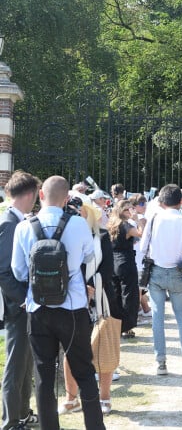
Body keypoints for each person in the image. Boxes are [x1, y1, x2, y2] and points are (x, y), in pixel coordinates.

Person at [11, 176, 105, 430]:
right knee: (84, 371)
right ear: (66, 199)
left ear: (41, 195)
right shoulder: (77, 224)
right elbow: (91, 257)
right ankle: (95, 426)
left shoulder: (24, 227)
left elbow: (18, 271)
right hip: (72, 308)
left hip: (38, 309)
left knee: (43, 375)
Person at [59, 200, 122, 416]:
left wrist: (92, 286)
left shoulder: (102, 236)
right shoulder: (63, 233)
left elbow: (108, 268)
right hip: (72, 299)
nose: (77, 213)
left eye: (81, 209)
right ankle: (71, 398)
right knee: (71, 349)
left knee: (103, 348)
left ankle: (105, 396)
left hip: (101, 299)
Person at [142, 184, 182, 375]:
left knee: (157, 317)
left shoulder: (154, 218)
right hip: (176, 270)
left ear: (161, 200)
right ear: (180, 201)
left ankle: (161, 362)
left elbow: (143, 246)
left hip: (156, 270)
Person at [0, 171, 41, 430]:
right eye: (36, 195)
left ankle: (22, 413)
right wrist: (22, 301)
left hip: (22, 304)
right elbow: (4, 271)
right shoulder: (9, 223)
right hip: (17, 305)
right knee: (15, 365)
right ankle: (10, 421)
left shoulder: (15, 221)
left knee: (25, 361)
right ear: (29, 194)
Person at [108, 200, 141, 338]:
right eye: (128, 209)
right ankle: (126, 327)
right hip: (125, 261)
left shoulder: (111, 224)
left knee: (116, 294)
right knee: (129, 294)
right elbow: (140, 233)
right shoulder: (125, 225)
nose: (130, 212)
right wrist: (138, 219)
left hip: (113, 261)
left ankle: (116, 324)